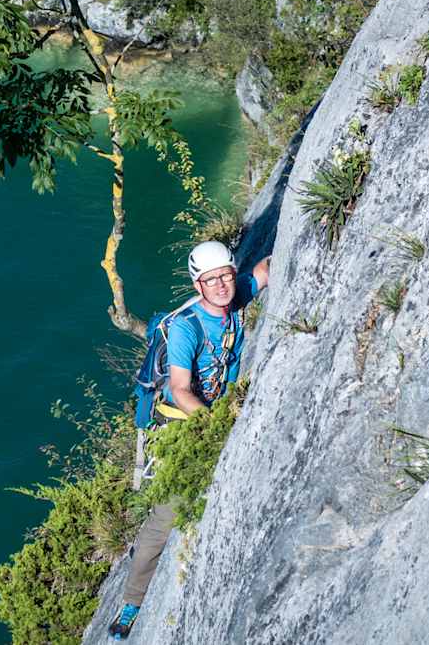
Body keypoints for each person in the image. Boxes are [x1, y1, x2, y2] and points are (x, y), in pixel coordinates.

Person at [109, 240, 270, 640]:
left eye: (225, 276)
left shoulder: (235, 295)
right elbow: (180, 388)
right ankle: (131, 601)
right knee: (166, 517)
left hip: (212, 414)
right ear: (197, 285)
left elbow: (265, 269)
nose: (220, 286)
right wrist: (217, 426)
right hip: (183, 424)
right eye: (210, 280)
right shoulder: (187, 327)